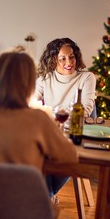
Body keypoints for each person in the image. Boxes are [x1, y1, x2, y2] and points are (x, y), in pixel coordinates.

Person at [0, 51, 78, 186]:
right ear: (30, 83)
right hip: (23, 203)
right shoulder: (39, 119)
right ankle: (48, 194)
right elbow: (70, 156)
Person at [35, 37, 96, 204]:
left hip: (77, 131)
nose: (69, 62)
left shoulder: (87, 77)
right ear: (53, 60)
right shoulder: (44, 79)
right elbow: (30, 104)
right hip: (52, 131)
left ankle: (45, 196)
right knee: (36, 148)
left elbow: (86, 109)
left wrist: (51, 114)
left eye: (72, 56)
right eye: (62, 58)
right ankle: (46, 196)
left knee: (67, 152)